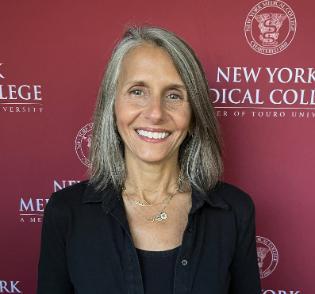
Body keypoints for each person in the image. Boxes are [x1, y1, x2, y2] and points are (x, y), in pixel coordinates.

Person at [37, 26, 261, 294]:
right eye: (137, 91)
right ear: (113, 105)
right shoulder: (66, 212)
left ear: (194, 115)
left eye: (174, 95)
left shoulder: (234, 212)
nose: (155, 113)